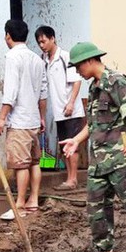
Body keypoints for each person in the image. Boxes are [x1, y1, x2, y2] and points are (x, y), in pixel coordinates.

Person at [60, 42, 126, 252]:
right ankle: (103, 248)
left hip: (119, 157)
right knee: (95, 205)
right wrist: (76, 140)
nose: (77, 71)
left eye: (78, 67)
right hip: (98, 159)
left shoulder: (116, 81)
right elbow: (93, 124)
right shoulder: (93, 87)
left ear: (89, 61)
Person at [0, 20, 47, 221]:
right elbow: (43, 92)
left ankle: (19, 205)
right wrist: (42, 117)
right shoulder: (36, 59)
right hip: (33, 118)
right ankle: (33, 200)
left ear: (8, 35)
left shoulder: (12, 57)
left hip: (19, 120)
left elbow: (11, 92)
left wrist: (1, 118)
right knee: (34, 162)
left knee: (21, 164)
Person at [35, 26, 86, 191]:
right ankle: (69, 178)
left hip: (71, 110)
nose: (41, 45)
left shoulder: (65, 57)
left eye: (43, 41)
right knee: (64, 146)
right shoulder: (44, 60)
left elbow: (76, 81)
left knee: (73, 145)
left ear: (52, 39)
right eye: (39, 42)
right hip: (58, 112)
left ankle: (73, 179)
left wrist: (71, 103)